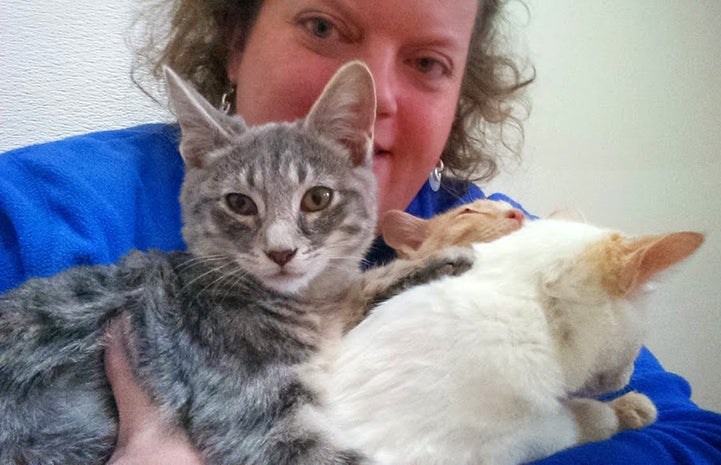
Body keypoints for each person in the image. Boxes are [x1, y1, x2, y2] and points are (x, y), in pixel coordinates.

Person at [0, 0, 719, 464]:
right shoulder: (44, 206)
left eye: (428, 62)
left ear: (460, 93)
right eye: (322, 26)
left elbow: (690, 436)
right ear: (233, 41)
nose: (371, 93)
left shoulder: (491, 233)